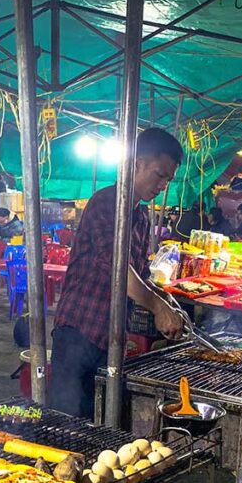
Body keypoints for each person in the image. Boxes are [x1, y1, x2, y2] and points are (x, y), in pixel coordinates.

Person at [51, 127, 185, 418]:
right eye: (160, 174)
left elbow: (140, 274)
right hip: (80, 328)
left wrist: (165, 300)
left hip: (111, 334)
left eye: (169, 179)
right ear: (136, 163)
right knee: (65, 420)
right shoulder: (107, 202)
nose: (163, 184)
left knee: (101, 418)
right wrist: (157, 307)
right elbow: (117, 268)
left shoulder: (140, 216)